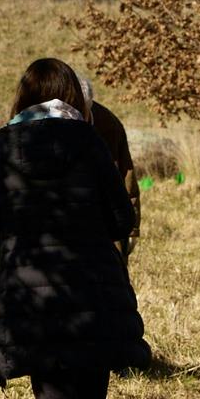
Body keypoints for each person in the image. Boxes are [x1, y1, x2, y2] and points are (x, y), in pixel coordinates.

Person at [0, 57, 150, 399]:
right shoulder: (90, 142)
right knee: (91, 396)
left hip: (30, 297)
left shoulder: (3, 147)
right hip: (92, 290)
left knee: (53, 397)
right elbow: (121, 219)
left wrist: (21, 228)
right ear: (72, 96)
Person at [76, 73, 142, 263]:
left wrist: (132, 229)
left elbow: (126, 176)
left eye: (85, 110)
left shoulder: (109, 126)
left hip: (107, 221)